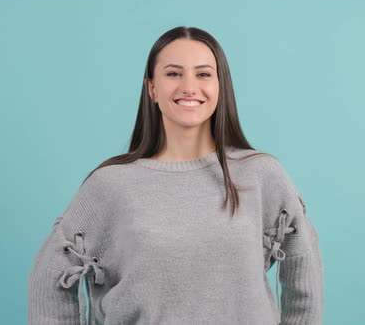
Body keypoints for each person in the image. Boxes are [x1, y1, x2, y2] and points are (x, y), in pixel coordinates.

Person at [28, 26, 324, 325]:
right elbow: (51, 276)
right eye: (173, 74)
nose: (189, 87)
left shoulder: (261, 175)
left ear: (221, 87)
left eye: (204, 74)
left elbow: (304, 273)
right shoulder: (110, 185)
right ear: (152, 88)